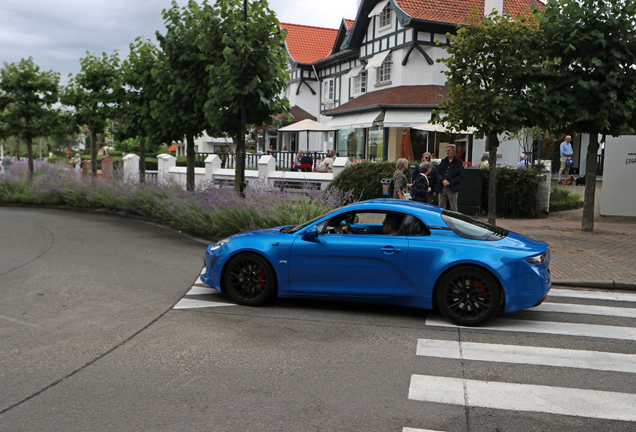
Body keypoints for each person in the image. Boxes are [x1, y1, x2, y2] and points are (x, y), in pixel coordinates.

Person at [436, 144, 465, 212]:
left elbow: (461, 176)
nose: (447, 152)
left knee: (453, 207)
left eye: (449, 150)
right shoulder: (443, 161)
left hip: (452, 187)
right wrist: (442, 180)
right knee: (441, 206)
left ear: (454, 151)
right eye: (446, 151)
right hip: (442, 187)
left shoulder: (458, 162)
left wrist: (450, 182)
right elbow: (438, 173)